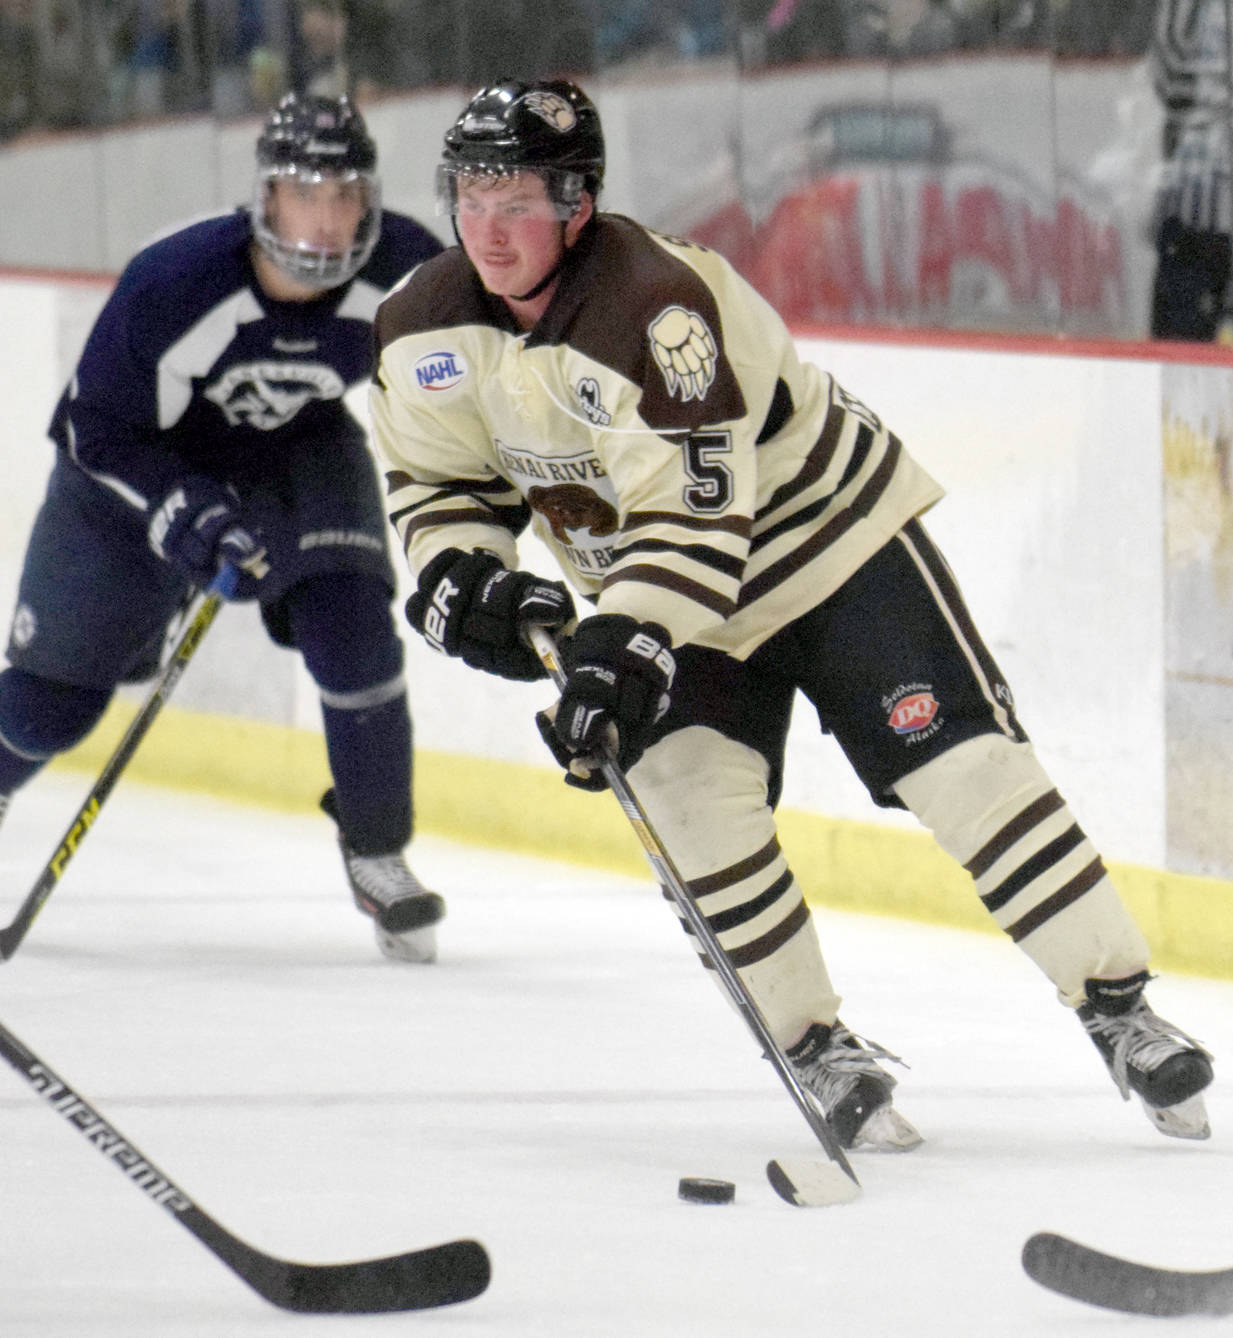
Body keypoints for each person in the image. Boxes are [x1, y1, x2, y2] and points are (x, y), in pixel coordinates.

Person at [368, 78, 1215, 1149]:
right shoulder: (418, 326)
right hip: (667, 597)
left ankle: (1121, 1011)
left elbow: (694, 521)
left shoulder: (654, 310)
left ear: (577, 202)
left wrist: (617, 642)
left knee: (959, 765)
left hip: (827, 544)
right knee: (687, 803)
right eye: (472, 195)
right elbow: (442, 490)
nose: (488, 228)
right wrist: (464, 578)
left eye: (518, 199)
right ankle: (816, 1046)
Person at [0, 92, 447, 963]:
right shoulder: (176, 283)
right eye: (303, 194)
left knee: (355, 628)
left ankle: (377, 849)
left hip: (294, 444)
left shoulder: (408, 272)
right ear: (265, 199)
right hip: (132, 473)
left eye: (345, 195)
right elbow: (98, 428)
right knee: (51, 708)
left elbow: (465, 385)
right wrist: (179, 507)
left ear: (371, 198)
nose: (324, 223)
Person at [1149, 0, 1233, 341]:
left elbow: (1166, 79)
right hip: (1194, 220)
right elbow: (1166, 79)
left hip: (1195, 210)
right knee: (1181, 348)